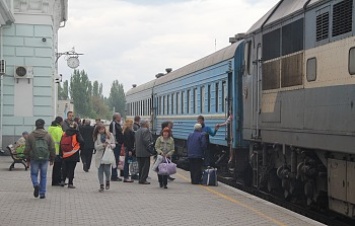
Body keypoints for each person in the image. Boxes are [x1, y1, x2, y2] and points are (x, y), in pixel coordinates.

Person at [24, 119, 56, 199]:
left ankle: (36, 184)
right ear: (43, 125)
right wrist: (52, 158)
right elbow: (52, 147)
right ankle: (42, 193)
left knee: (34, 174)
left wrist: (27, 158)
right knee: (43, 176)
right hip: (45, 157)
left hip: (34, 157)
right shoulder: (48, 135)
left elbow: (27, 148)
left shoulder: (31, 135)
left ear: (36, 125)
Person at [60, 122, 84, 189]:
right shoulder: (76, 133)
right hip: (74, 154)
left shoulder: (64, 133)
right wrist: (80, 148)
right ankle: (70, 183)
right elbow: (82, 141)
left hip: (65, 154)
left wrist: (61, 153)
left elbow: (61, 143)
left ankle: (62, 180)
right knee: (71, 169)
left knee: (64, 168)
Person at [94, 123, 116, 192]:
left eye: (102, 129)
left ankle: (107, 181)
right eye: (99, 129)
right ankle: (101, 185)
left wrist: (110, 145)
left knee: (107, 170)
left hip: (108, 155)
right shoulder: (97, 136)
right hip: (100, 156)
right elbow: (96, 147)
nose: (101, 131)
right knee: (100, 170)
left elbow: (114, 144)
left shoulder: (110, 135)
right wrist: (102, 145)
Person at [135, 119, 153, 185]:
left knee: (140, 166)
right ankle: (143, 179)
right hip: (145, 151)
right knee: (145, 166)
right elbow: (146, 141)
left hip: (138, 151)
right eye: (147, 123)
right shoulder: (146, 130)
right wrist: (151, 147)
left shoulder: (137, 131)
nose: (148, 124)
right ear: (145, 124)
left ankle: (140, 178)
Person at [48, 116, 64, 186]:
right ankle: (57, 181)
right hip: (57, 150)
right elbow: (61, 140)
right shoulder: (58, 129)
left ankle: (55, 181)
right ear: (60, 122)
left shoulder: (50, 128)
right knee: (58, 167)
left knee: (55, 167)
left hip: (50, 150)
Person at [109, 113, 124, 181]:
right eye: (120, 116)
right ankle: (114, 175)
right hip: (116, 144)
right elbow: (113, 133)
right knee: (115, 159)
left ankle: (115, 175)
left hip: (117, 143)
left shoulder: (116, 124)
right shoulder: (114, 124)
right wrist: (115, 141)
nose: (120, 118)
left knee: (116, 159)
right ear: (116, 117)